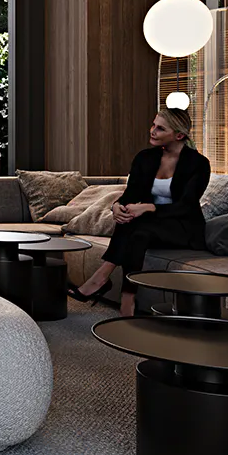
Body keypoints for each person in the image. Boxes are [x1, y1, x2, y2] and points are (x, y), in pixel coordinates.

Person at [70, 106, 211, 317]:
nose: (152, 131)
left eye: (160, 128)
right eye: (153, 125)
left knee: (138, 225)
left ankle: (101, 279)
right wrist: (116, 206)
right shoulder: (145, 158)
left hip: (182, 228)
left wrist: (148, 207)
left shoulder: (198, 164)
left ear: (179, 135)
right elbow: (131, 193)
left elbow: (186, 206)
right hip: (148, 226)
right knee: (136, 228)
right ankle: (127, 298)